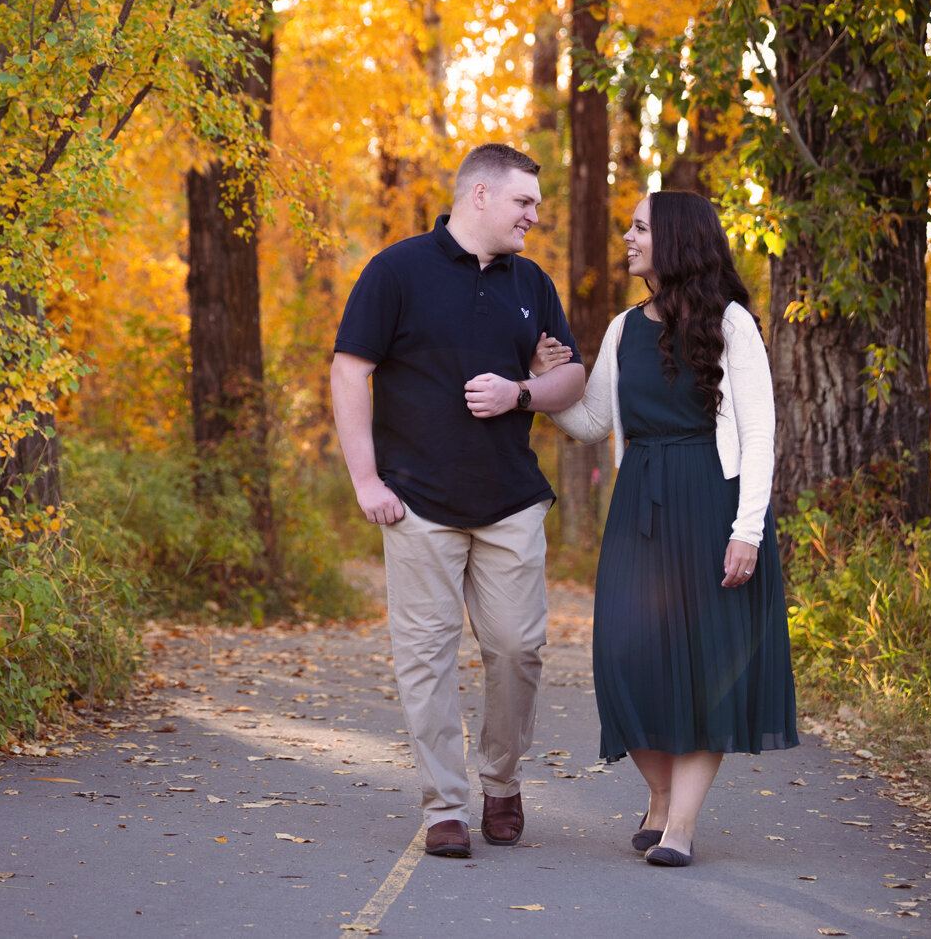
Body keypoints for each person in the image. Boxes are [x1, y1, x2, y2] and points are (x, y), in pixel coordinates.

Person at [330, 143, 588, 859]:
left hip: (510, 499)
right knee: (426, 656)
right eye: (524, 203)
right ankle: (444, 803)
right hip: (417, 501)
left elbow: (572, 378)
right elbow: (350, 370)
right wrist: (366, 480)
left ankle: (500, 779)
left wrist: (522, 392)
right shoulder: (397, 271)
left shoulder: (531, 281)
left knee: (517, 648)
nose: (534, 216)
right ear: (479, 195)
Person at [543, 190, 799, 866]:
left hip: (714, 506)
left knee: (707, 665)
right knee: (623, 660)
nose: (627, 237)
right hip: (640, 508)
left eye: (639, 227)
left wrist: (748, 529)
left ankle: (680, 824)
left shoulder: (733, 324)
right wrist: (542, 388)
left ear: (678, 238)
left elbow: (760, 434)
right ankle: (659, 793)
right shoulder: (624, 328)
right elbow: (594, 421)